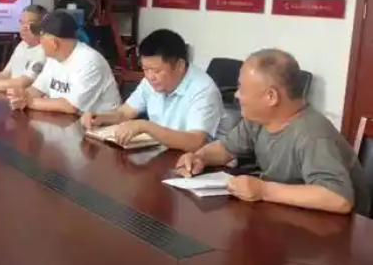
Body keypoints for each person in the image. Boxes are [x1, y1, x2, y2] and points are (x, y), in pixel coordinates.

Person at [176, 49, 370, 215]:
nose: (236, 95)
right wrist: (200, 157)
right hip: (290, 215)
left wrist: (264, 190)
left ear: (271, 96)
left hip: (338, 233)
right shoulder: (258, 120)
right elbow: (226, 148)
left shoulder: (313, 134)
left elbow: (339, 198)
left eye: (242, 88)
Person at [81, 29, 224, 152]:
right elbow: (125, 113)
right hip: (162, 153)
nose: (150, 77)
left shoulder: (203, 90)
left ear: (180, 65)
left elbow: (195, 142)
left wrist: (146, 126)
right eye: (145, 69)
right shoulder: (150, 81)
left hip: (195, 163)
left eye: (157, 71)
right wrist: (100, 118)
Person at [7, 10, 120, 115]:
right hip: (66, 121)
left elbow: (71, 106)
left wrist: (29, 102)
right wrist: (22, 95)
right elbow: (38, 89)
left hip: (100, 126)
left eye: (42, 38)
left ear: (54, 44)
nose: (40, 42)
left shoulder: (90, 62)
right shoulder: (53, 58)